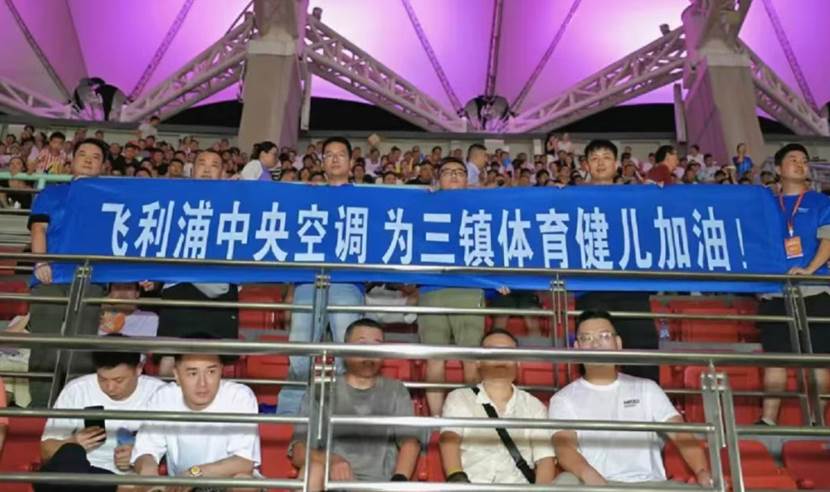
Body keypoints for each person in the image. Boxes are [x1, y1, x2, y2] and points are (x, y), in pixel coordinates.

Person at [550, 310, 712, 488]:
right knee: (565, 482)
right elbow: (564, 447)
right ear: (577, 348)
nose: (595, 344)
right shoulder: (564, 399)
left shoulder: (647, 388)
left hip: (650, 484)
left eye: (604, 336)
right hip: (598, 484)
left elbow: (681, 434)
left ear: (618, 344)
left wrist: (701, 471)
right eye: (586, 338)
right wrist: (593, 479)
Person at [279, 137, 364, 415]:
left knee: (346, 353)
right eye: (329, 154)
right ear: (322, 162)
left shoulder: (368, 199)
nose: (335, 159)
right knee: (300, 353)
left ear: (351, 163)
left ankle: (340, 414)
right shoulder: (308, 197)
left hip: (347, 283)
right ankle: (290, 416)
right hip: (307, 281)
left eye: (341, 154)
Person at [289, 319, 421, 492]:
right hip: (330, 483)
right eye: (362, 344)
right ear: (345, 350)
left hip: (377, 486)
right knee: (312, 470)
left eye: (377, 345)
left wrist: (399, 481)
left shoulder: (396, 390)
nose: (369, 352)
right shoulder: (322, 389)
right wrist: (332, 460)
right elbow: (298, 451)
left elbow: (410, 443)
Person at [27, 138, 109, 406]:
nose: (88, 160)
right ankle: (42, 407)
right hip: (50, 274)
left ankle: (75, 407)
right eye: (83, 154)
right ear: (71, 160)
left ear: (103, 166)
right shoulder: (51, 194)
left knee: (81, 347)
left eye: (95, 157)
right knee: (44, 343)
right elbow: (38, 229)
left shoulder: (110, 197)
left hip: (91, 277)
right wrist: (41, 263)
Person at [757, 143, 830, 425]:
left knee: (818, 358)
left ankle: (816, 421)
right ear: (778, 168)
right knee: (775, 357)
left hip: (816, 288)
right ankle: (768, 420)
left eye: (804, 160)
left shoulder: (821, 202)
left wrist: (810, 270)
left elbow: (827, 240)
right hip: (776, 291)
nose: (801, 164)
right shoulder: (765, 205)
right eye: (793, 159)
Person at [131, 338, 260, 491]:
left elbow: (244, 462)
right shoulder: (164, 396)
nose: (202, 384)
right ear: (176, 374)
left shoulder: (239, 396)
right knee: (129, 484)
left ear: (221, 370)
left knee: (244, 484)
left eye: (211, 372)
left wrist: (194, 474)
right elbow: (145, 451)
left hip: (225, 483)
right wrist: (149, 473)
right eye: (193, 373)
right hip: (180, 485)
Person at [578, 140, 659, 382]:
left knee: (641, 358)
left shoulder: (636, 197)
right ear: (586, 166)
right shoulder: (574, 199)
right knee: (595, 361)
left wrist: (660, 197)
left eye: (606, 157)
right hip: (591, 288)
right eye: (594, 158)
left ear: (616, 164)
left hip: (631, 287)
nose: (600, 163)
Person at [38, 340, 164, 492]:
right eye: (102, 379)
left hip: (129, 477)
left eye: (119, 380)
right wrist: (74, 442)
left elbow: (176, 448)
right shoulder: (77, 390)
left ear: (138, 369)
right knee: (69, 454)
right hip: (83, 472)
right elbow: (45, 451)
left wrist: (138, 454)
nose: (110, 388)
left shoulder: (160, 393)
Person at [439, 329, 555, 485]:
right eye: (493, 352)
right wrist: (456, 477)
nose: (500, 358)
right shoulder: (459, 398)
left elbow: (545, 459)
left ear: (518, 361)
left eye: (507, 353)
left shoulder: (534, 406)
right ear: (478, 361)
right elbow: (449, 440)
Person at [418, 157, 486, 416]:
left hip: (469, 288)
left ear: (467, 179)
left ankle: (471, 417)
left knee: (470, 358)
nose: (455, 176)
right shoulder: (425, 204)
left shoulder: (481, 207)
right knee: (435, 359)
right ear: (438, 179)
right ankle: (437, 419)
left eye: (460, 172)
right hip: (432, 288)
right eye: (448, 172)